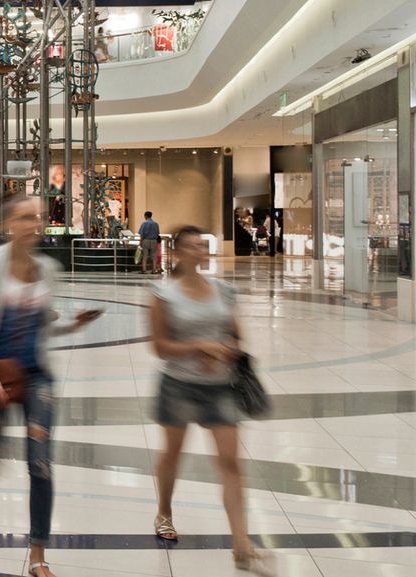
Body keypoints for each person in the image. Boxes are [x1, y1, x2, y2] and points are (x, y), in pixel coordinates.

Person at [0, 191, 101, 562]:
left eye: (35, 218)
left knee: (40, 462)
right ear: (7, 225)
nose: (32, 225)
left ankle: (38, 551)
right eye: (23, 218)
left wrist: (72, 324)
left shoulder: (47, 270)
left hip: (36, 377)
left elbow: (43, 328)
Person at [150, 225, 266, 571]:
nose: (201, 251)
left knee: (230, 462)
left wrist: (227, 350)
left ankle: (241, 541)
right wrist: (199, 346)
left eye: (204, 246)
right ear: (179, 253)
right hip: (178, 385)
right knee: (172, 455)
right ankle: (164, 512)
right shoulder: (163, 294)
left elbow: (237, 336)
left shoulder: (224, 291)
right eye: (194, 246)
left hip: (221, 387)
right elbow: (159, 347)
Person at [138, 211, 162, 275]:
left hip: (146, 240)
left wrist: (140, 242)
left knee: (145, 255)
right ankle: (154, 270)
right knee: (154, 256)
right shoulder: (156, 224)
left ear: (145, 216)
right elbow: (157, 234)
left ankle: (144, 270)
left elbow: (142, 234)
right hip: (154, 241)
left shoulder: (144, 223)